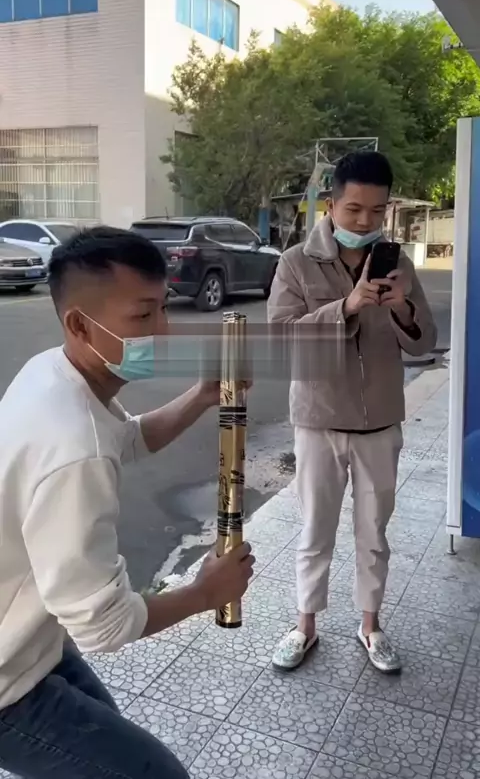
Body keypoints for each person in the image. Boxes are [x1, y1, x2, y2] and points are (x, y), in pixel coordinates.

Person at [0, 226, 254, 779]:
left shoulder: (52, 373)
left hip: (30, 640)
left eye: (162, 307)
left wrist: (203, 395)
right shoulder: (74, 447)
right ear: (79, 324)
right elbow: (105, 626)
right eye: (142, 316)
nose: (162, 330)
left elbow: (127, 438)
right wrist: (205, 593)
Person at [268, 151, 436, 673]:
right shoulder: (296, 262)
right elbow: (281, 341)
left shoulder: (397, 264)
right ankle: (305, 626)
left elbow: (424, 342)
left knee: (374, 533)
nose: (365, 221)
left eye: (377, 211)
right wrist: (347, 305)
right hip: (318, 419)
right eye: (354, 209)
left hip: (379, 421)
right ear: (332, 205)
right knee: (315, 530)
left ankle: (371, 625)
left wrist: (401, 305)